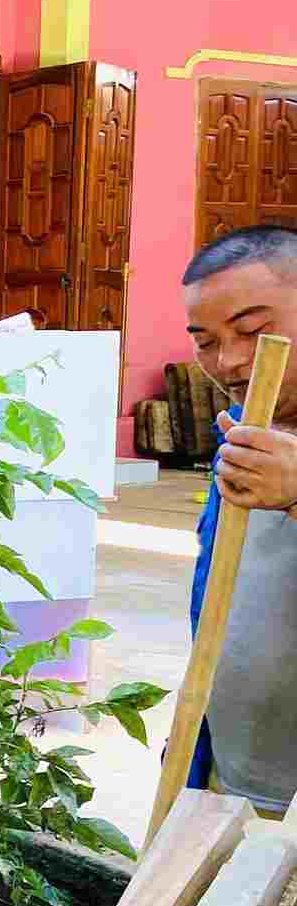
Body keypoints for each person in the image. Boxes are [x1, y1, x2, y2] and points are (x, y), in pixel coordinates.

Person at [179, 227, 297, 816]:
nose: (229, 361)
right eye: (206, 340)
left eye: (254, 331)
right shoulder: (240, 430)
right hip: (236, 779)